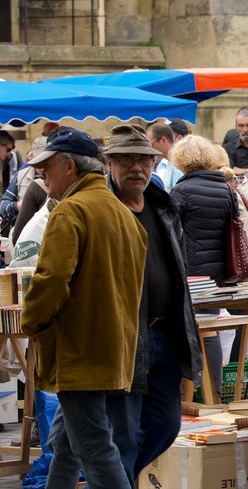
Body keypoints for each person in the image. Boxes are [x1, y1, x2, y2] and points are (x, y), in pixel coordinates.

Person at [57, 124, 201, 482]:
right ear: (109, 163)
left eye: (143, 160)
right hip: (123, 335)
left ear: (155, 162)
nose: (137, 167)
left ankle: (114, 479)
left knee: (166, 425)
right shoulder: (98, 208)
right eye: (126, 160)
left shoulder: (162, 203)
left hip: (165, 331)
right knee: (120, 434)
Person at [21, 128, 147, 488]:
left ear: (69, 167)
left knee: (94, 449)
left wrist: (33, 322)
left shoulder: (71, 211)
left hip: (80, 353)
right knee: (66, 443)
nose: (42, 176)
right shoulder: (122, 214)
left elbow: (50, 281)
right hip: (113, 348)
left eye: (46, 168)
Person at [169, 135, 239, 398]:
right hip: (218, 273)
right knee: (210, 330)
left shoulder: (181, 190)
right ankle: (214, 391)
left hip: (188, 273)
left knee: (186, 330)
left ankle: (189, 392)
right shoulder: (225, 189)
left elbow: (171, 232)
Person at [146, 121, 184, 191]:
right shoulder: (170, 161)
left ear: (163, 140)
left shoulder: (179, 163)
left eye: (151, 145)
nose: (150, 149)